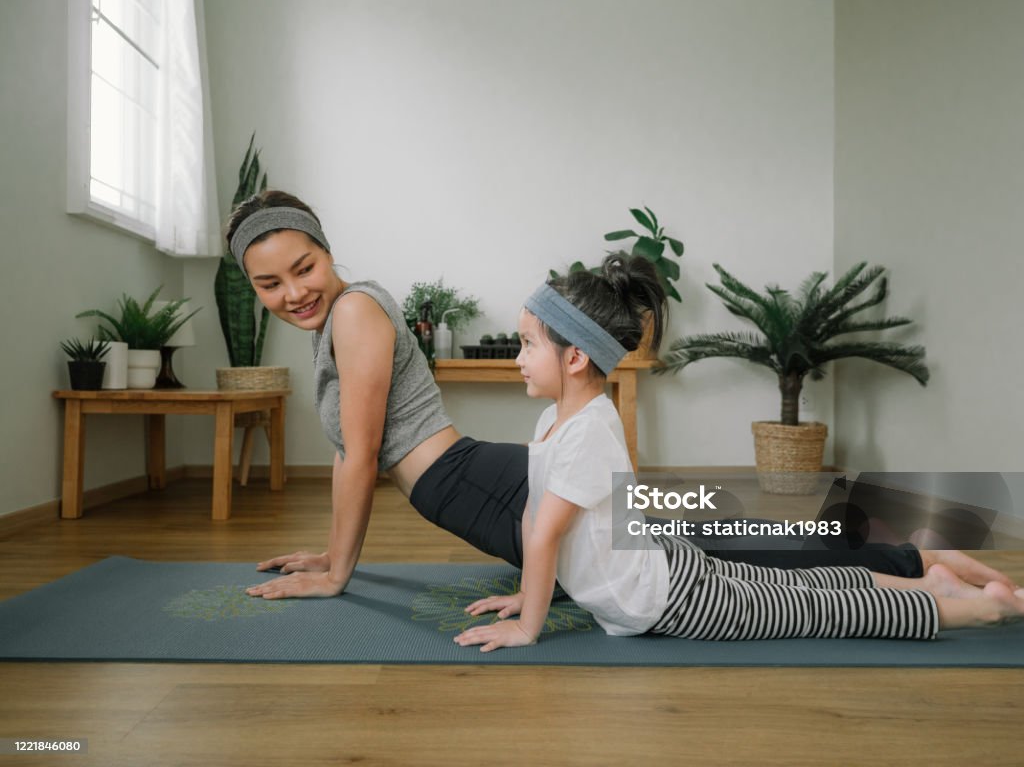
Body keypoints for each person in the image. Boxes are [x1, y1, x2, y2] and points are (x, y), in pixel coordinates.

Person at [230, 190, 1013, 600]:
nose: (292, 290)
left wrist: (339, 575)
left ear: (327, 251)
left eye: (304, 267)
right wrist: (332, 551)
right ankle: (915, 549)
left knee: (726, 548)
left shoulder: (357, 311)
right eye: (268, 283)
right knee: (721, 530)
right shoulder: (337, 316)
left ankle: (919, 558)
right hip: (486, 481)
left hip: (483, 486)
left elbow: (361, 455)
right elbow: (352, 452)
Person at [453, 256, 1024, 651]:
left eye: (529, 343)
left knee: (813, 611)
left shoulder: (588, 431)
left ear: (575, 358)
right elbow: (534, 519)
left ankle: (981, 609)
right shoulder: (554, 418)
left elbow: (547, 534)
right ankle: (934, 586)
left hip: (666, 599)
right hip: (664, 569)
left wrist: (528, 629)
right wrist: (527, 593)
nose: (520, 355)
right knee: (799, 589)